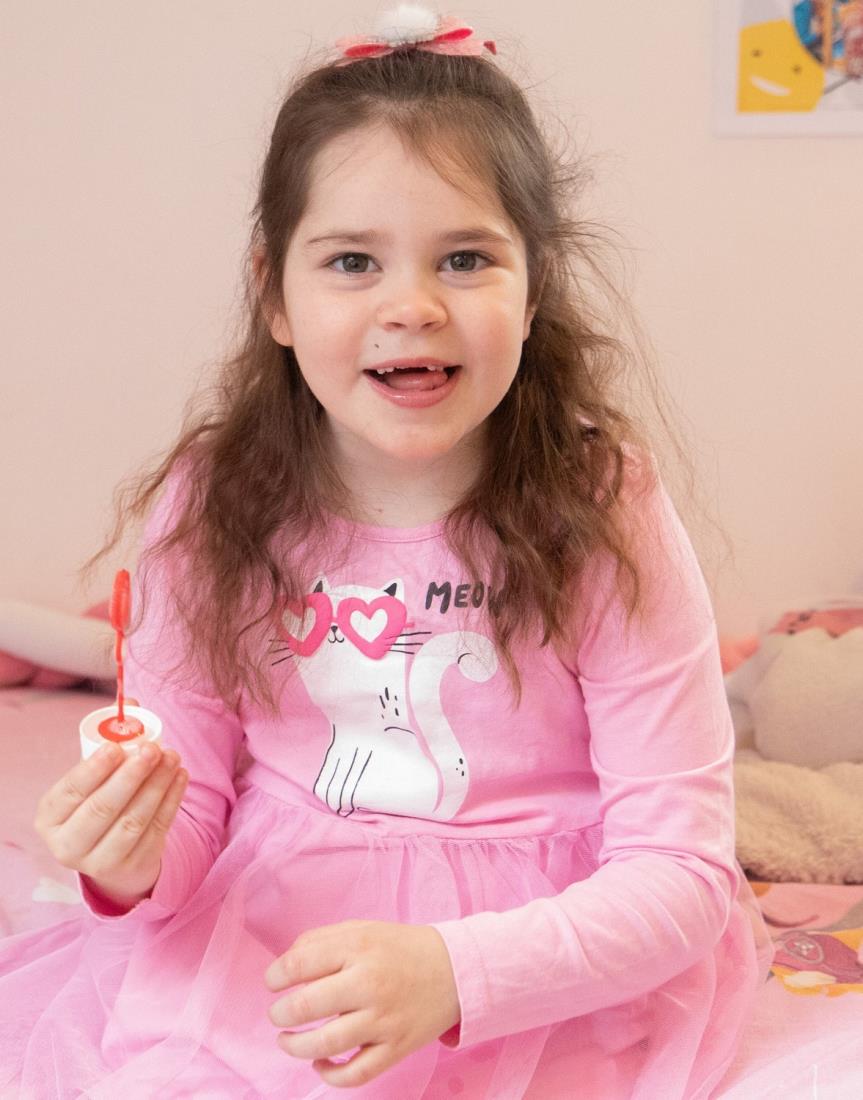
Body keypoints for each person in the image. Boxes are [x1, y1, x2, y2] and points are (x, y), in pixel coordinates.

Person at [0, 6, 774, 1097]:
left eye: (465, 258)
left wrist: (456, 974)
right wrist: (128, 861)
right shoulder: (215, 501)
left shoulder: (600, 505)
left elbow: (679, 871)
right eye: (352, 261)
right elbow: (190, 815)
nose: (410, 306)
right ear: (273, 293)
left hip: (540, 969)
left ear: (534, 288)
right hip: (270, 949)